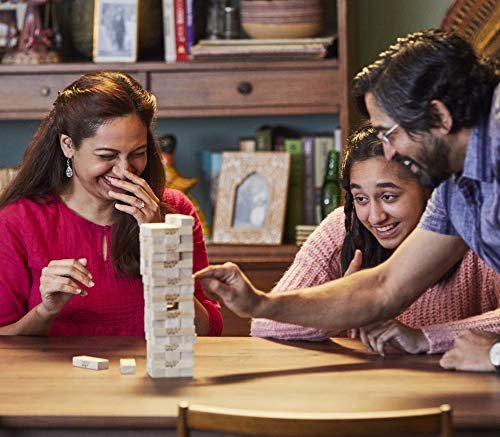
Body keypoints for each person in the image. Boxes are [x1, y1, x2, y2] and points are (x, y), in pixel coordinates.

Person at [195, 30, 499, 372]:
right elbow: (385, 287)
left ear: (440, 117)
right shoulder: (454, 190)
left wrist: (494, 354)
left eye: (390, 133)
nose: (388, 151)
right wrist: (260, 303)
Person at [0, 70, 223, 337]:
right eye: (107, 155)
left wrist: (160, 242)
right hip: (59, 378)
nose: (124, 170)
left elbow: (206, 332)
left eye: (137, 154)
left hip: (151, 376)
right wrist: (45, 311)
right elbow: (5, 343)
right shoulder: (17, 222)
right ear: (68, 146)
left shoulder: (175, 211)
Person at [251, 127, 499, 353]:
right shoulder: (344, 227)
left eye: (389, 197)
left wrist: (426, 337)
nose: (375, 216)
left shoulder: (472, 231)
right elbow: (265, 325)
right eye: (361, 198)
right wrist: (342, 307)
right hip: (365, 391)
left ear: (428, 189)